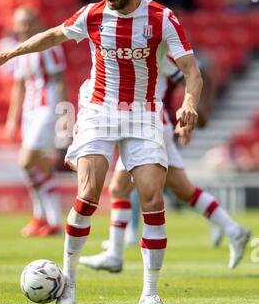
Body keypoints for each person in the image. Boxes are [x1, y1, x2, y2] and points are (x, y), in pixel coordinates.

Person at [0, 0, 202, 304]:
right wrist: (11, 53)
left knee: (153, 198)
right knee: (87, 194)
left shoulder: (161, 17)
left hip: (142, 113)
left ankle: (149, 294)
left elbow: (192, 70)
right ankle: (68, 285)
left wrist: (189, 103)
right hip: (98, 110)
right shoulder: (93, 14)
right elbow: (53, 35)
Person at [80, 55, 251, 272]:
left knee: (120, 188)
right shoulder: (146, 48)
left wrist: (192, 115)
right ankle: (234, 230)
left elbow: (195, 77)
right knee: (183, 190)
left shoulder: (154, 51)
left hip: (149, 127)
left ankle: (115, 253)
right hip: (152, 125)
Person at [0, 6, 66, 237]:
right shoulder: (18, 51)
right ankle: (49, 219)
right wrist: (11, 120)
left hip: (46, 109)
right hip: (29, 112)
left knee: (26, 162)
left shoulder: (48, 48)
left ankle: (44, 216)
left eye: (28, 22)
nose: (24, 27)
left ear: (37, 22)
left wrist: (63, 114)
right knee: (38, 166)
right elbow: (18, 87)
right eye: (20, 23)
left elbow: (59, 80)